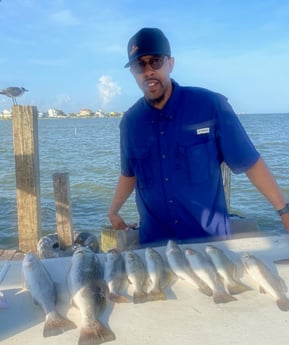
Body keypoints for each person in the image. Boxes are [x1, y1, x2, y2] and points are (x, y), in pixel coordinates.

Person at [108, 27, 289, 245]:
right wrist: (114, 210)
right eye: (140, 65)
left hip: (210, 243)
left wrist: (284, 211)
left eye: (155, 61)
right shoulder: (130, 122)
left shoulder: (211, 106)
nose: (148, 71)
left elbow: (250, 162)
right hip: (156, 245)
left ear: (170, 63)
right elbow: (129, 173)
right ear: (133, 72)